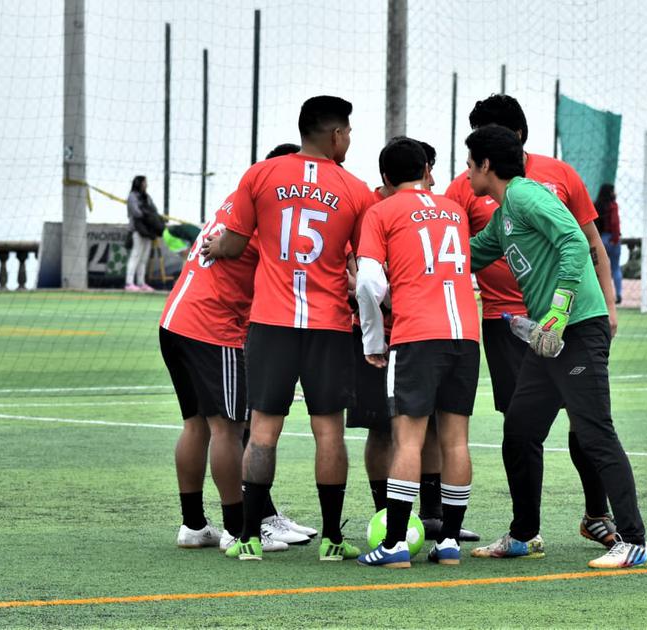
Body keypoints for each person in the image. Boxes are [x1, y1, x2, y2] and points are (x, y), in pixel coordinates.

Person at [464, 125, 647, 569]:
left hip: (578, 328)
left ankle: (635, 542)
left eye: (469, 163)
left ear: (486, 165)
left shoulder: (526, 195)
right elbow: (470, 255)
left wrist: (560, 307)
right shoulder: (504, 215)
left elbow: (575, 240)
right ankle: (524, 535)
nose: (466, 172)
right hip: (547, 341)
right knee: (520, 431)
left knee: (595, 433)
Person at [202, 95, 373, 562]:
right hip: (328, 325)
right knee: (329, 432)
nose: (349, 139)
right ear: (335, 135)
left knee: (262, 430)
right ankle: (333, 540)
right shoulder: (356, 189)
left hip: (272, 323)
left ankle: (249, 538)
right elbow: (365, 265)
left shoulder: (260, 175)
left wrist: (217, 246)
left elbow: (235, 244)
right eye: (348, 132)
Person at [445, 95, 619, 549]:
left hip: (568, 320)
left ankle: (603, 518)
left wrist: (605, 305)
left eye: (485, 139)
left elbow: (587, 242)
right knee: (520, 426)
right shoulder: (472, 189)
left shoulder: (553, 178)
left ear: (514, 138)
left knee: (587, 424)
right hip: (505, 322)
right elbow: (455, 249)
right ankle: (526, 531)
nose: (470, 163)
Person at [355, 138, 479, 568]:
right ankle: (450, 543)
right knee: (455, 440)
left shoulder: (381, 211)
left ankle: (393, 545)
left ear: (385, 178)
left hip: (417, 336)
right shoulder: (455, 210)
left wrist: (373, 339)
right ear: (427, 170)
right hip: (466, 335)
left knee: (407, 440)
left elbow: (368, 282)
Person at [159, 193, 291, 556]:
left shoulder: (236, 201)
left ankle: (193, 525)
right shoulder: (269, 215)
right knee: (228, 429)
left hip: (174, 322)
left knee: (195, 425)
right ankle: (237, 529)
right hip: (212, 329)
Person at [126, 175, 160, 292]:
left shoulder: (147, 196)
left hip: (148, 231)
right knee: (135, 256)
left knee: (143, 258)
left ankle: (141, 283)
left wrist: (152, 219)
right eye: (144, 182)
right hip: (137, 230)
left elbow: (154, 210)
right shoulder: (132, 196)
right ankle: (129, 283)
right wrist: (146, 215)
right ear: (139, 183)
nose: (146, 184)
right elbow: (135, 212)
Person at [594, 184, 622, 305]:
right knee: (615, 268)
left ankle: (601, 295)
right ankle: (618, 294)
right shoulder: (613, 205)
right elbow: (615, 223)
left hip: (600, 239)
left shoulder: (596, 205)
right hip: (612, 238)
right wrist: (615, 238)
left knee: (600, 269)